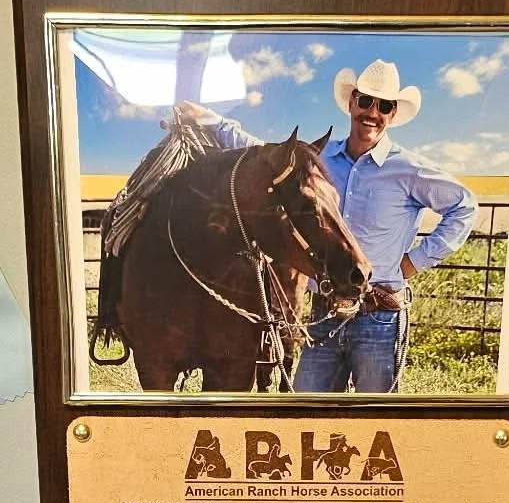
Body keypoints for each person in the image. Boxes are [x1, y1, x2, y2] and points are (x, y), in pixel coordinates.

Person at [175, 57, 477, 393]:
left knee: (372, 421)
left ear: (392, 114)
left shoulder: (408, 170)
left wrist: (411, 263)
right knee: (307, 413)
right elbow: (259, 153)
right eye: (365, 101)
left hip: (379, 314)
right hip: (325, 314)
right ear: (351, 103)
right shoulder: (317, 162)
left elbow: (464, 206)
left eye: (384, 106)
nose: (372, 112)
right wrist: (211, 119)